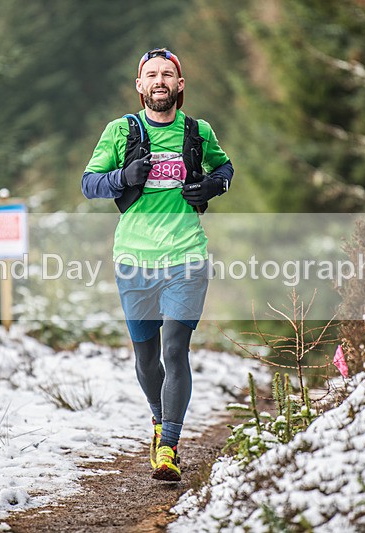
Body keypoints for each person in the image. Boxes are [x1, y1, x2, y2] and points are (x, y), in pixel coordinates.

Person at [81, 48, 233, 482]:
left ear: (180, 85)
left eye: (168, 74)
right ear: (140, 85)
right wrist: (122, 179)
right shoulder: (120, 131)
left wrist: (211, 187)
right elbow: (89, 184)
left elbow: (225, 168)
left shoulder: (197, 131)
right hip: (133, 261)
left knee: (174, 350)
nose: (160, 81)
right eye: (152, 75)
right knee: (147, 357)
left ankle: (168, 445)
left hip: (187, 257)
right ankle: (157, 417)